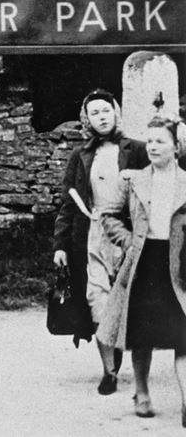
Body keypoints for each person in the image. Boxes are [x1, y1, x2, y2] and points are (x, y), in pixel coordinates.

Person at [52, 89, 148, 395]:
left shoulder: (137, 149)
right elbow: (68, 202)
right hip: (91, 236)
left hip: (128, 235)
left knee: (131, 303)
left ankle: (138, 375)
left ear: (116, 112)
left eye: (106, 110)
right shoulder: (80, 156)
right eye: (95, 112)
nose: (101, 117)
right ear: (87, 119)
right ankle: (109, 371)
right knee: (97, 301)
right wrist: (61, 246)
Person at [97, 117, 186, 425]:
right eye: (149, 140)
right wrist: (129, 242)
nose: (152, 146)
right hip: (144, 265)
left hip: (181, 265)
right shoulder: (133, 179)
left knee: (183, 334)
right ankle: (142, 392)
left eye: (160, 141)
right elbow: (108, 214)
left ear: (177, 147)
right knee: (142, 332)